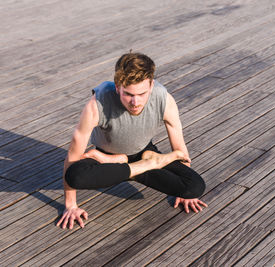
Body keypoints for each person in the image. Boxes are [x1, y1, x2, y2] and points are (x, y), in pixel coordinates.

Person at [56, 52, 207, 230]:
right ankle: (131, 163)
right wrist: (71, 205)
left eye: (142, 94)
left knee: (195, 187)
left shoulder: (164, 99)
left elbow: (179, 147)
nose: (135, 102)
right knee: (75, 175)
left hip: (144, 153)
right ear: (118, 87)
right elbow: (73, 156)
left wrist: (182, 191)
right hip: (105, 158)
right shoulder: (97, 104)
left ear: (151, 85)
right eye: (128, 94)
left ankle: (131, 163)